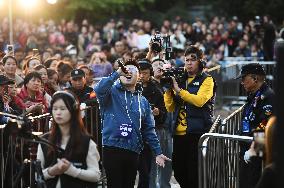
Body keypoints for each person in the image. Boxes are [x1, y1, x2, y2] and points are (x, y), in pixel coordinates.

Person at [94, 59, 170, 188]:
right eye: (125, 70)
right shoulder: (111, 93)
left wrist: (158, 152)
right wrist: (117, 74)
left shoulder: (143, 101)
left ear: (139, 75)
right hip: (112, 147)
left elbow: (149, 130)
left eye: (133, 70)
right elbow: (99, 89)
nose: (128, 72)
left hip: (133, 149)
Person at [164, 45, 215, 188]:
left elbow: (199, 101)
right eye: (186, 60)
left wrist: (179, 91)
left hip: (197, 132)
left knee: (194, 173)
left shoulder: (207, 80)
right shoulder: (180, 79)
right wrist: (169, 91)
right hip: (179, 134)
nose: (189, 63)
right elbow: (170, 107)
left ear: (200, 61)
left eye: (192, 60)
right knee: (179, 171)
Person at [37, 91, 101, 188]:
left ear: (73, 111)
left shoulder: (86, 141)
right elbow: (36, 175)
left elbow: (95, 175)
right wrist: (52, 171)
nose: (58, 112)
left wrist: (72, 170)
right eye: (55, 109)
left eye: (63, 109)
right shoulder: (44, 140)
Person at [237, 63, 274, 188]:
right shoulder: (254, 95)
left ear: (255, 78)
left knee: (250, 183)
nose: (242, 82)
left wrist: (253, 150)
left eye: (244, 78)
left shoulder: (268, 97)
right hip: (247, 148)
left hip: (256, 151)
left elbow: (264, 125)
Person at [137, 59, 167, 188]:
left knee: (149, 168)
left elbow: (163, 111)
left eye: (145, 73)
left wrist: (157, 112)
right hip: (132, 132)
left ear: (150, 73)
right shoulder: (129, 87)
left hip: (151, 131)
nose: (142, 76)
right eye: (140, 73)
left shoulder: (156, 90)